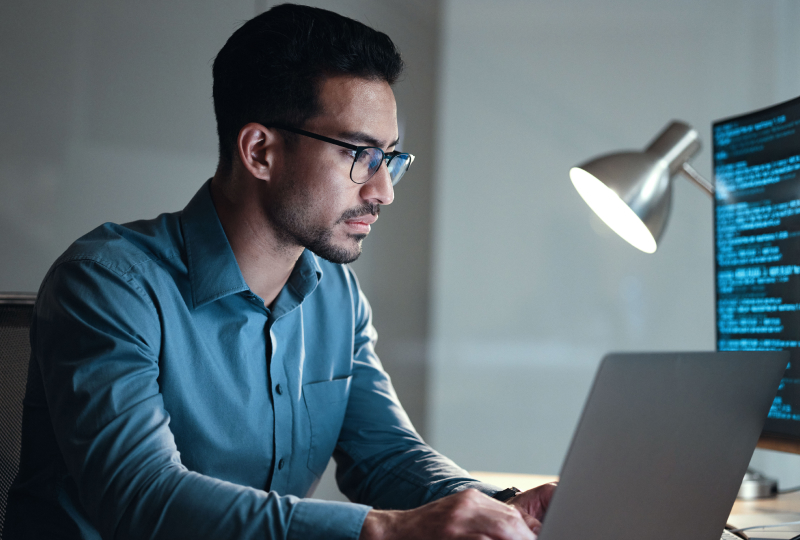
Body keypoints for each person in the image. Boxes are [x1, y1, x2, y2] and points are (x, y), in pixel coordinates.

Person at [5, 4, 555, 539]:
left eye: (390, 158)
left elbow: (385, 454)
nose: (383, 191)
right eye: (360, 156)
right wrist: (382, 529)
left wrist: (501, 508)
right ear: (260, 152)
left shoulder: (336, 294)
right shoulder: (107, 283)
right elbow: (142, 496)